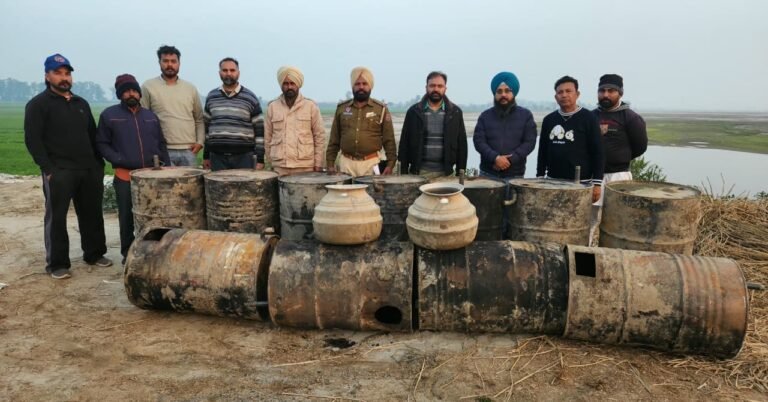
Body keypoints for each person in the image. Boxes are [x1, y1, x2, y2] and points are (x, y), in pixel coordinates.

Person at [24, 53, 112, 279]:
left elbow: (92, 135)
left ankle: (94, 253)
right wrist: (48, 169)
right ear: (47, 76)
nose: (64, 78)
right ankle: (57, 264)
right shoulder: (38, 105)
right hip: (59, 171)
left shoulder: (81, 103)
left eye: (67, 73)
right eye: (58, 73)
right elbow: (33, 140)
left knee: (92, 213)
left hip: (89, 169)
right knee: (57, 218)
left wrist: (98, 164)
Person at [96, 74, 170, 264]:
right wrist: (118, 159)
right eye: (126, 91)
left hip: (150, 177)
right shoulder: (109, 115)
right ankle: (128, 254)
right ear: (120, 94)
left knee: (153, 216)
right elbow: (102, 143)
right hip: (125, 176)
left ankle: (152, 251)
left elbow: (161, 143)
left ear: (139, 93)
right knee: (126, 217)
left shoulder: (150, 116)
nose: (131, 94)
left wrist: (166, 167)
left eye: (134, 91)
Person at [537, 76, 604, 202]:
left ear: (577, 94)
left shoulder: (589, 118)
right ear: (556, 97)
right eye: (560, 92)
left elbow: (598, 152)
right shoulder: (549, 120)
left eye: (568, 91)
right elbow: (542, 152)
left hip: (581, 183)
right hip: (552, 182)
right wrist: (540, 177)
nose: (564, 95)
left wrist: (597, 183)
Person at [326, 67, 396, 177]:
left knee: (372, 189)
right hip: (346, 164)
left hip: (371, 164)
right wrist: (330, 163)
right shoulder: (342, 108)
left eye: (365, 83)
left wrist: (390, 164)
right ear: (352, 86)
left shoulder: (381, 109)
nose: (361, 87)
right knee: (345, 189)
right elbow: (334, 140)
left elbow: (389, 140)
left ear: (370, 86)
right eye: (357, 84)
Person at [140, 45, 204, 167]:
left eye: (173, 61)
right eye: (165, 61)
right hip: (163, 149)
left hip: (189, 149)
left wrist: (200, 142)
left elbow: (199, 119)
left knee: (190, 180)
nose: (169, 65)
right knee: (165, 180)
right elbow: (143, 119)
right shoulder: (148, 87)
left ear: (179, 63)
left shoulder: (190, 88)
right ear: (159, 62)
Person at [398, 71, 467, 179]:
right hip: (418, 173)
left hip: (446, 174)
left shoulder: (455, 113)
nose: (436, 89)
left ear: (445, 88)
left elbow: (462, 146)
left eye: (440, 86)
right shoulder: (414, 112)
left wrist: (460, 174)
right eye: (432, 86)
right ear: (426, 87)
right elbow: (404, 144)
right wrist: (403, 173)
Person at [202, 57, 264, 171]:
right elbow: (206, 130)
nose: (228, 73)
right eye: (225, 70)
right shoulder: (212, 97)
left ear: (238, 73)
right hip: (217, 158)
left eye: (232, 70)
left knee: (245, 183)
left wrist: (260, 159)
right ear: (219, 73)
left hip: (244, 158)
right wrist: (206, 156)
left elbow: (260, 132)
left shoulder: (250, 98)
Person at [593, 73, 648, 200]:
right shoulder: (590, 117)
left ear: (620, 93)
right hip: (593, 177)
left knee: (617, 211)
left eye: (611, 91)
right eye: (602, 91)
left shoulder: (631, 118)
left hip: (619, 176)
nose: (605, 95)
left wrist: (620, 157)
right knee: (591, 212)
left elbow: (640, 147)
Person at [473, 71, 537, 179]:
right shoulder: (485, 116)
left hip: (515, 175)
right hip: (488, 174)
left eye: (507, 91)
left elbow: (529, 143)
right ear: (495, 94)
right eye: (499, 91)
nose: (503, 94)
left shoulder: (526, 115)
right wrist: (495, 158)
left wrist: (509, 160)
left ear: (514, 93)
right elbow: (479, 142)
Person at [264, 66, 325, 176]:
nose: (289, 87)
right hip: (280, 167)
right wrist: (272, 161)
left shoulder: (310, 106)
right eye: (286, 84)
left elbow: (319, 136)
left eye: (292, 83)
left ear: (298, 84)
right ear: (281, 85)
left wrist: (318, 163)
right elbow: (267, 137)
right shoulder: (272, 107)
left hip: (305, 166)